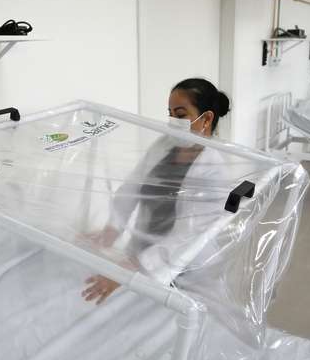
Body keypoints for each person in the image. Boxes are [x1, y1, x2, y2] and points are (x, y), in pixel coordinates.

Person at [81, 78, 231, 304]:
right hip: (141, 253)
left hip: (185, 270)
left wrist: (130, 269)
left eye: (180, 115)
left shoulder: (213, 169)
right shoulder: (164, 145)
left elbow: (187, 236)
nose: (172, 121)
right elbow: (131, 188)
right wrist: (111, 230)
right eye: (170, 113)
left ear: (207, 118)